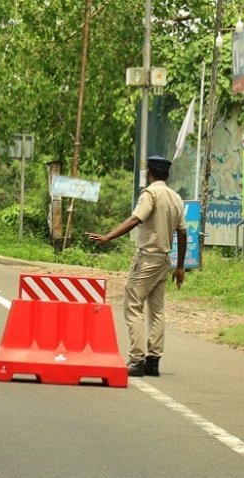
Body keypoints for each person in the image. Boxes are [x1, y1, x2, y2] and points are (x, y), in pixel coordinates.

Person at [85, 155, 186, 377]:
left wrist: (107, 237)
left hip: (147, 258)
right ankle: (153, 361)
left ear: (149, 172)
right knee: (157, 310)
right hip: (164, 260)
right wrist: (179, 267)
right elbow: (182, 232)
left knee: (133, 305)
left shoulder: (150, 194)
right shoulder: (176, 198)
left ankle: (137, 359)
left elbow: (135, 219)